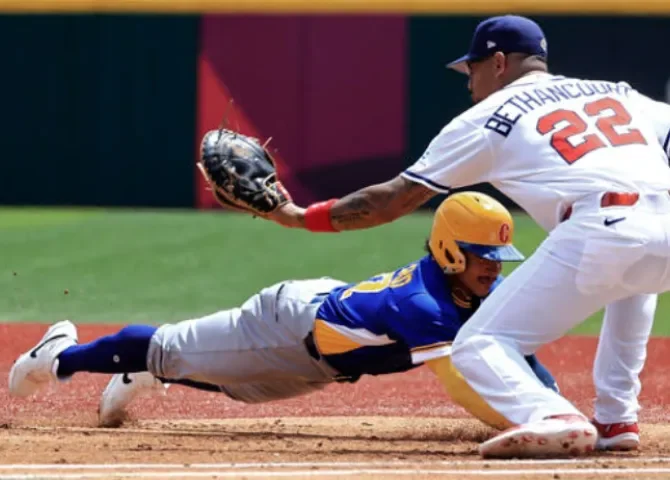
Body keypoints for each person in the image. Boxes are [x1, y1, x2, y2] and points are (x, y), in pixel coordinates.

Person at [254, 15, 670, 457]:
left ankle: (552, 415)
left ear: (498, 62)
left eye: (472, 68)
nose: (469, 82)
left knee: (477, 344)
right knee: (634, 284)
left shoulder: (489, 118)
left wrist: (298, 216)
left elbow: (392, 200)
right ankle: (616, 417)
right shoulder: (618, 94)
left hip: (601, 227)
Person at [9, 192, 560, 431]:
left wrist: (552, 408)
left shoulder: (476, 290)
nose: (493, 266)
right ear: (449, 250)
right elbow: (462, 384)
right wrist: (533, 423)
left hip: (319, 356)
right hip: (287, 327)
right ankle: (62, 355)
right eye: (482, 255)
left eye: (498, 257)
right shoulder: (424, 306)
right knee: (167, 348)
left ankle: (147, 373)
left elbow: (513, 354)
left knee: (238, 388)